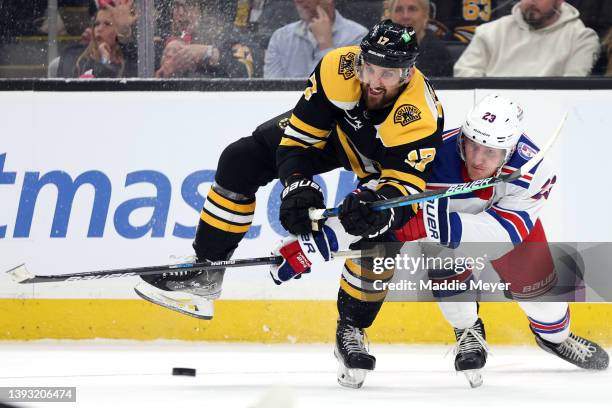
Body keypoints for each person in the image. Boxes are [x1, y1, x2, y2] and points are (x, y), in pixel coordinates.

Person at [134, 21, 444, 388]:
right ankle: (205, 270)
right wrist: (298, 186)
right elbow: (298, 142)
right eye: (370, 67)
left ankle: (353, 328)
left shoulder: (419, 114)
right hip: (336, 135)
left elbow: (404, 188)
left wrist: (378, 207)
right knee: (240, 159)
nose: (375, 81)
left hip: (382, 165)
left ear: (407, 74)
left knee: (379, 231)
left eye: (388, 74)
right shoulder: (338, 68)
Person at [281, 94, 609, 388]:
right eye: (473, 145)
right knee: (394, 250)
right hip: (440, 229)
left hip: (493, 226)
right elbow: (371, 209)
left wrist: (434, 224)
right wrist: (311, 244)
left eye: (491, 152)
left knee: (544, 295)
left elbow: (502, 236)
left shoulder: (535, 171)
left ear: (508, 151)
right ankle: (454, 328)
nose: (478, 159)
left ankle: (554, 338)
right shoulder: (431, 157)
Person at [454, 0, 600, 77]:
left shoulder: (582, 38)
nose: (531, 2)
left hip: (551, 115)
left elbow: (572, 90)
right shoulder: (490, 31)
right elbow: (464, 73)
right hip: (493, 116)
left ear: (560, 1)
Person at [263, 0, 368, 78]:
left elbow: (344, 89)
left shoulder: (358, 37)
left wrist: (325, 45)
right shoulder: (281, 37)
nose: (299, 1)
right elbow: (270, 89)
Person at [155, 0, 254, 78]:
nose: (181, 12)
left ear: (204, 10)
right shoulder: (159, 40)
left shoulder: (227, 37)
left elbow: (247, 72)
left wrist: (208, 53)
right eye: (176, 6)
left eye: (189, 5)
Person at [57, 0, 138, 78]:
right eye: (97, 24)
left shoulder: (128, 59)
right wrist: (104, 61)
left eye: (107, 24)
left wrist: (124, 30)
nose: (99, 29)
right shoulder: (75, 56)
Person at [386, 0, 452, 76]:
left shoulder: (439, 54)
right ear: (390, 16)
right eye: (398, 10)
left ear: (426, 15)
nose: (405, 16)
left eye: (412, 9)